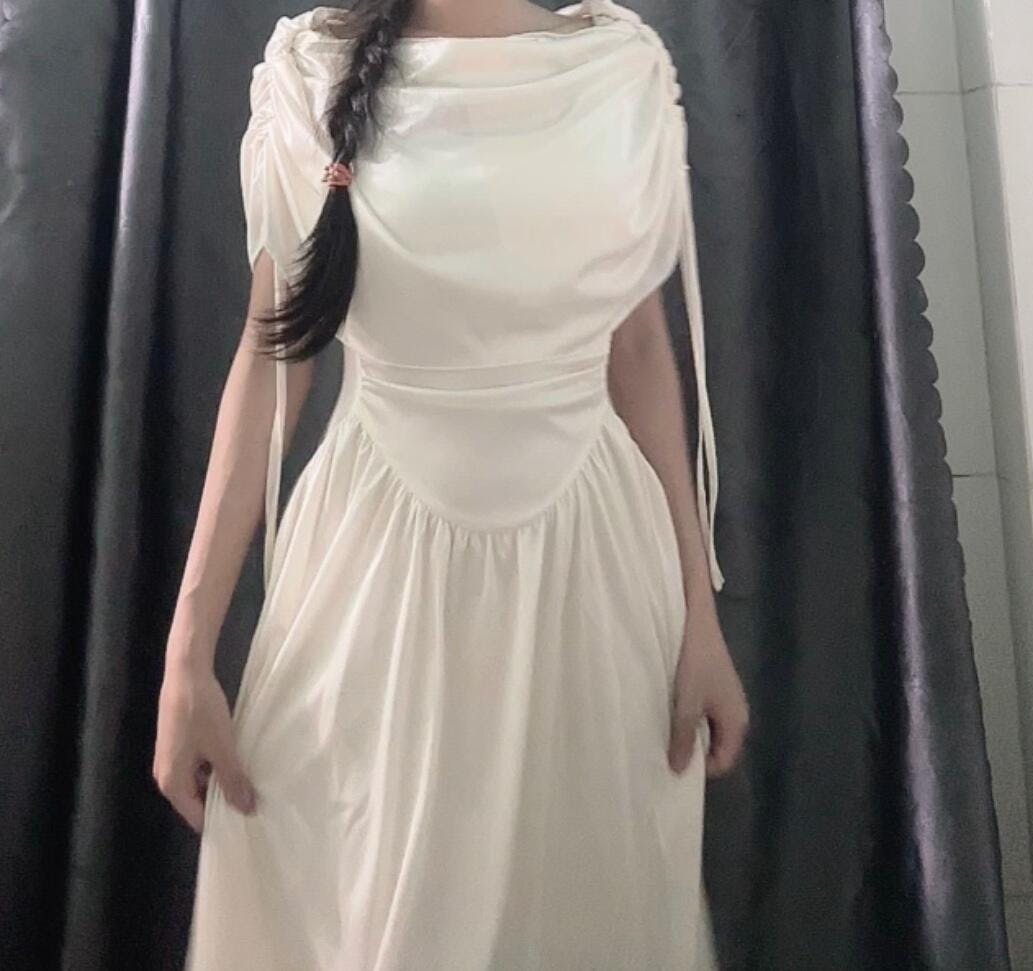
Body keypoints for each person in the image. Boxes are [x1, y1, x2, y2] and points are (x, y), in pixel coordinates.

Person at [154, 0, 749, 966]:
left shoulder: (616, 69)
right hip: (373, 571)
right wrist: (187, 654)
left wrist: (699, 617)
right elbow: (272, 357)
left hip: (591, 566)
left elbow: (638, 349)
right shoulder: (310, 71)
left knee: (584, 908)